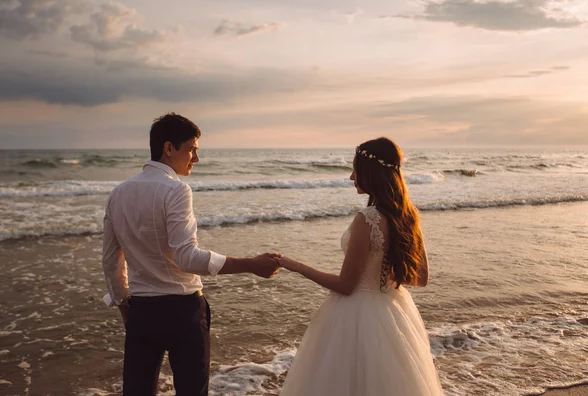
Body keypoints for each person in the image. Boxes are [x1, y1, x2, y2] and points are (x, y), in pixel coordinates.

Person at [101, 113, 280, 396]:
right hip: (181, 311)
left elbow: (111, 261)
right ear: (168, 148)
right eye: (192, 149)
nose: (196, 158)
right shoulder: (176, 190)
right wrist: (252, 264)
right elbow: (187, 258)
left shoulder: (118, 193)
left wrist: (126, 307)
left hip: (142, 312)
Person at [278, 137, 443, 395]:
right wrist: (384, 278)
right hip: (394, 312)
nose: (351, 176)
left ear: (370, 173)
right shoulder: (408, 215)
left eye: (355, 169)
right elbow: (419, 278)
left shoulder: (367, 219)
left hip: (355, 317)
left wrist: (295, 265)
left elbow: (345, 286)